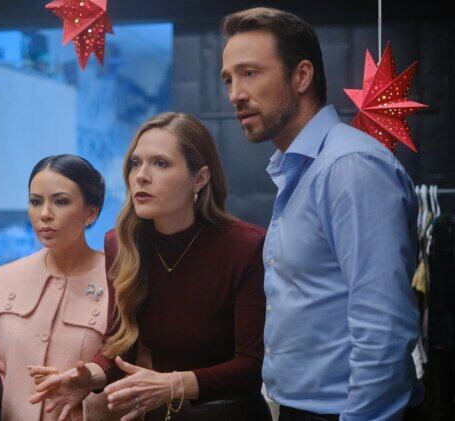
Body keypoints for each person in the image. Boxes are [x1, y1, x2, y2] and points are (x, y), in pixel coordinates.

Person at [220, 7, 421, 421]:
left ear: (301, 76)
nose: (235, 94)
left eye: (250, 73)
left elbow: (383, 327)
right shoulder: (302, 169)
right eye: (228, 79)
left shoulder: (349, 166)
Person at [29, 112, 272, 421]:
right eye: (135, 163)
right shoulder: (122, 243)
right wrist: (90, 377)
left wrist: (173, 384)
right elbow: (121, 345)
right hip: (161, 413)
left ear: (199, 178)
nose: (141, 176)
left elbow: (252, 366)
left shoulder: (245, 246)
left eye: (160, 163)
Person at [0, 154, 120, 420]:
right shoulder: (4, 277)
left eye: (61, 202)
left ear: (91, 212)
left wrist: (85, 390)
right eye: (35, 201)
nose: (45, 214)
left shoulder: (120, 281)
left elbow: (131, 375)